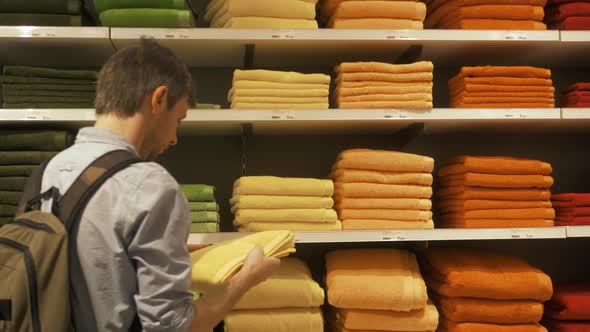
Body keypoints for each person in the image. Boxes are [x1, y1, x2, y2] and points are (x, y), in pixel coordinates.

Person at [39, 38, 280, 332]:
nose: (174, 138)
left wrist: (170, 250)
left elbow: (96, 259)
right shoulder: (150, 185)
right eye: (178, 120)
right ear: (159, 99)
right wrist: (245, 280)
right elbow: (171, 327)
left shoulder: (51, 170)